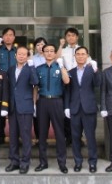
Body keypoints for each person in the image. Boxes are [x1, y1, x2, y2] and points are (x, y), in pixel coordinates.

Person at [34, 43, 70, 174]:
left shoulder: (60, 66)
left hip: (56, 101)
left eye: (51, 51)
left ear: (55, 53)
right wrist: (34, 104)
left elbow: (66, 81)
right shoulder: (39, 68)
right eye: (46, 51)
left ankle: (62, 163)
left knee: (59, 133)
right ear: (43, 53)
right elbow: (35, 87)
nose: (49, 53)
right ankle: (43, 162)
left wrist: (62, 67)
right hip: (42, 102)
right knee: (42, 134)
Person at [64, 46, 100, 173]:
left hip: (89, 108)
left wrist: (96, 70)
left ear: (87, 56)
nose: (80, 56)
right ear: (75, 56)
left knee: (90, 137)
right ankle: (78, 162)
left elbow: (98, 83)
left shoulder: (92, 69)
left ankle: (92, 162)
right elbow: (67, 91)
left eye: (83, 54)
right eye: (78, 54)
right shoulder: (71, 72)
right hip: (75, 108)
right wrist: (67, 107)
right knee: (75, 137)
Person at [6, 46, 38, 174]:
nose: (21, 56)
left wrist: (32, 66)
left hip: (25, 106)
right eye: (19, 54)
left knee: (25, 136)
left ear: (27, 56)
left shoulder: (30, 68)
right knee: (13, 136)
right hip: (12, 106)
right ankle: (14, 161)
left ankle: (25, 162)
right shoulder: (11, 69)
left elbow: (35, 81)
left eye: (24, 54)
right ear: (15, 55)